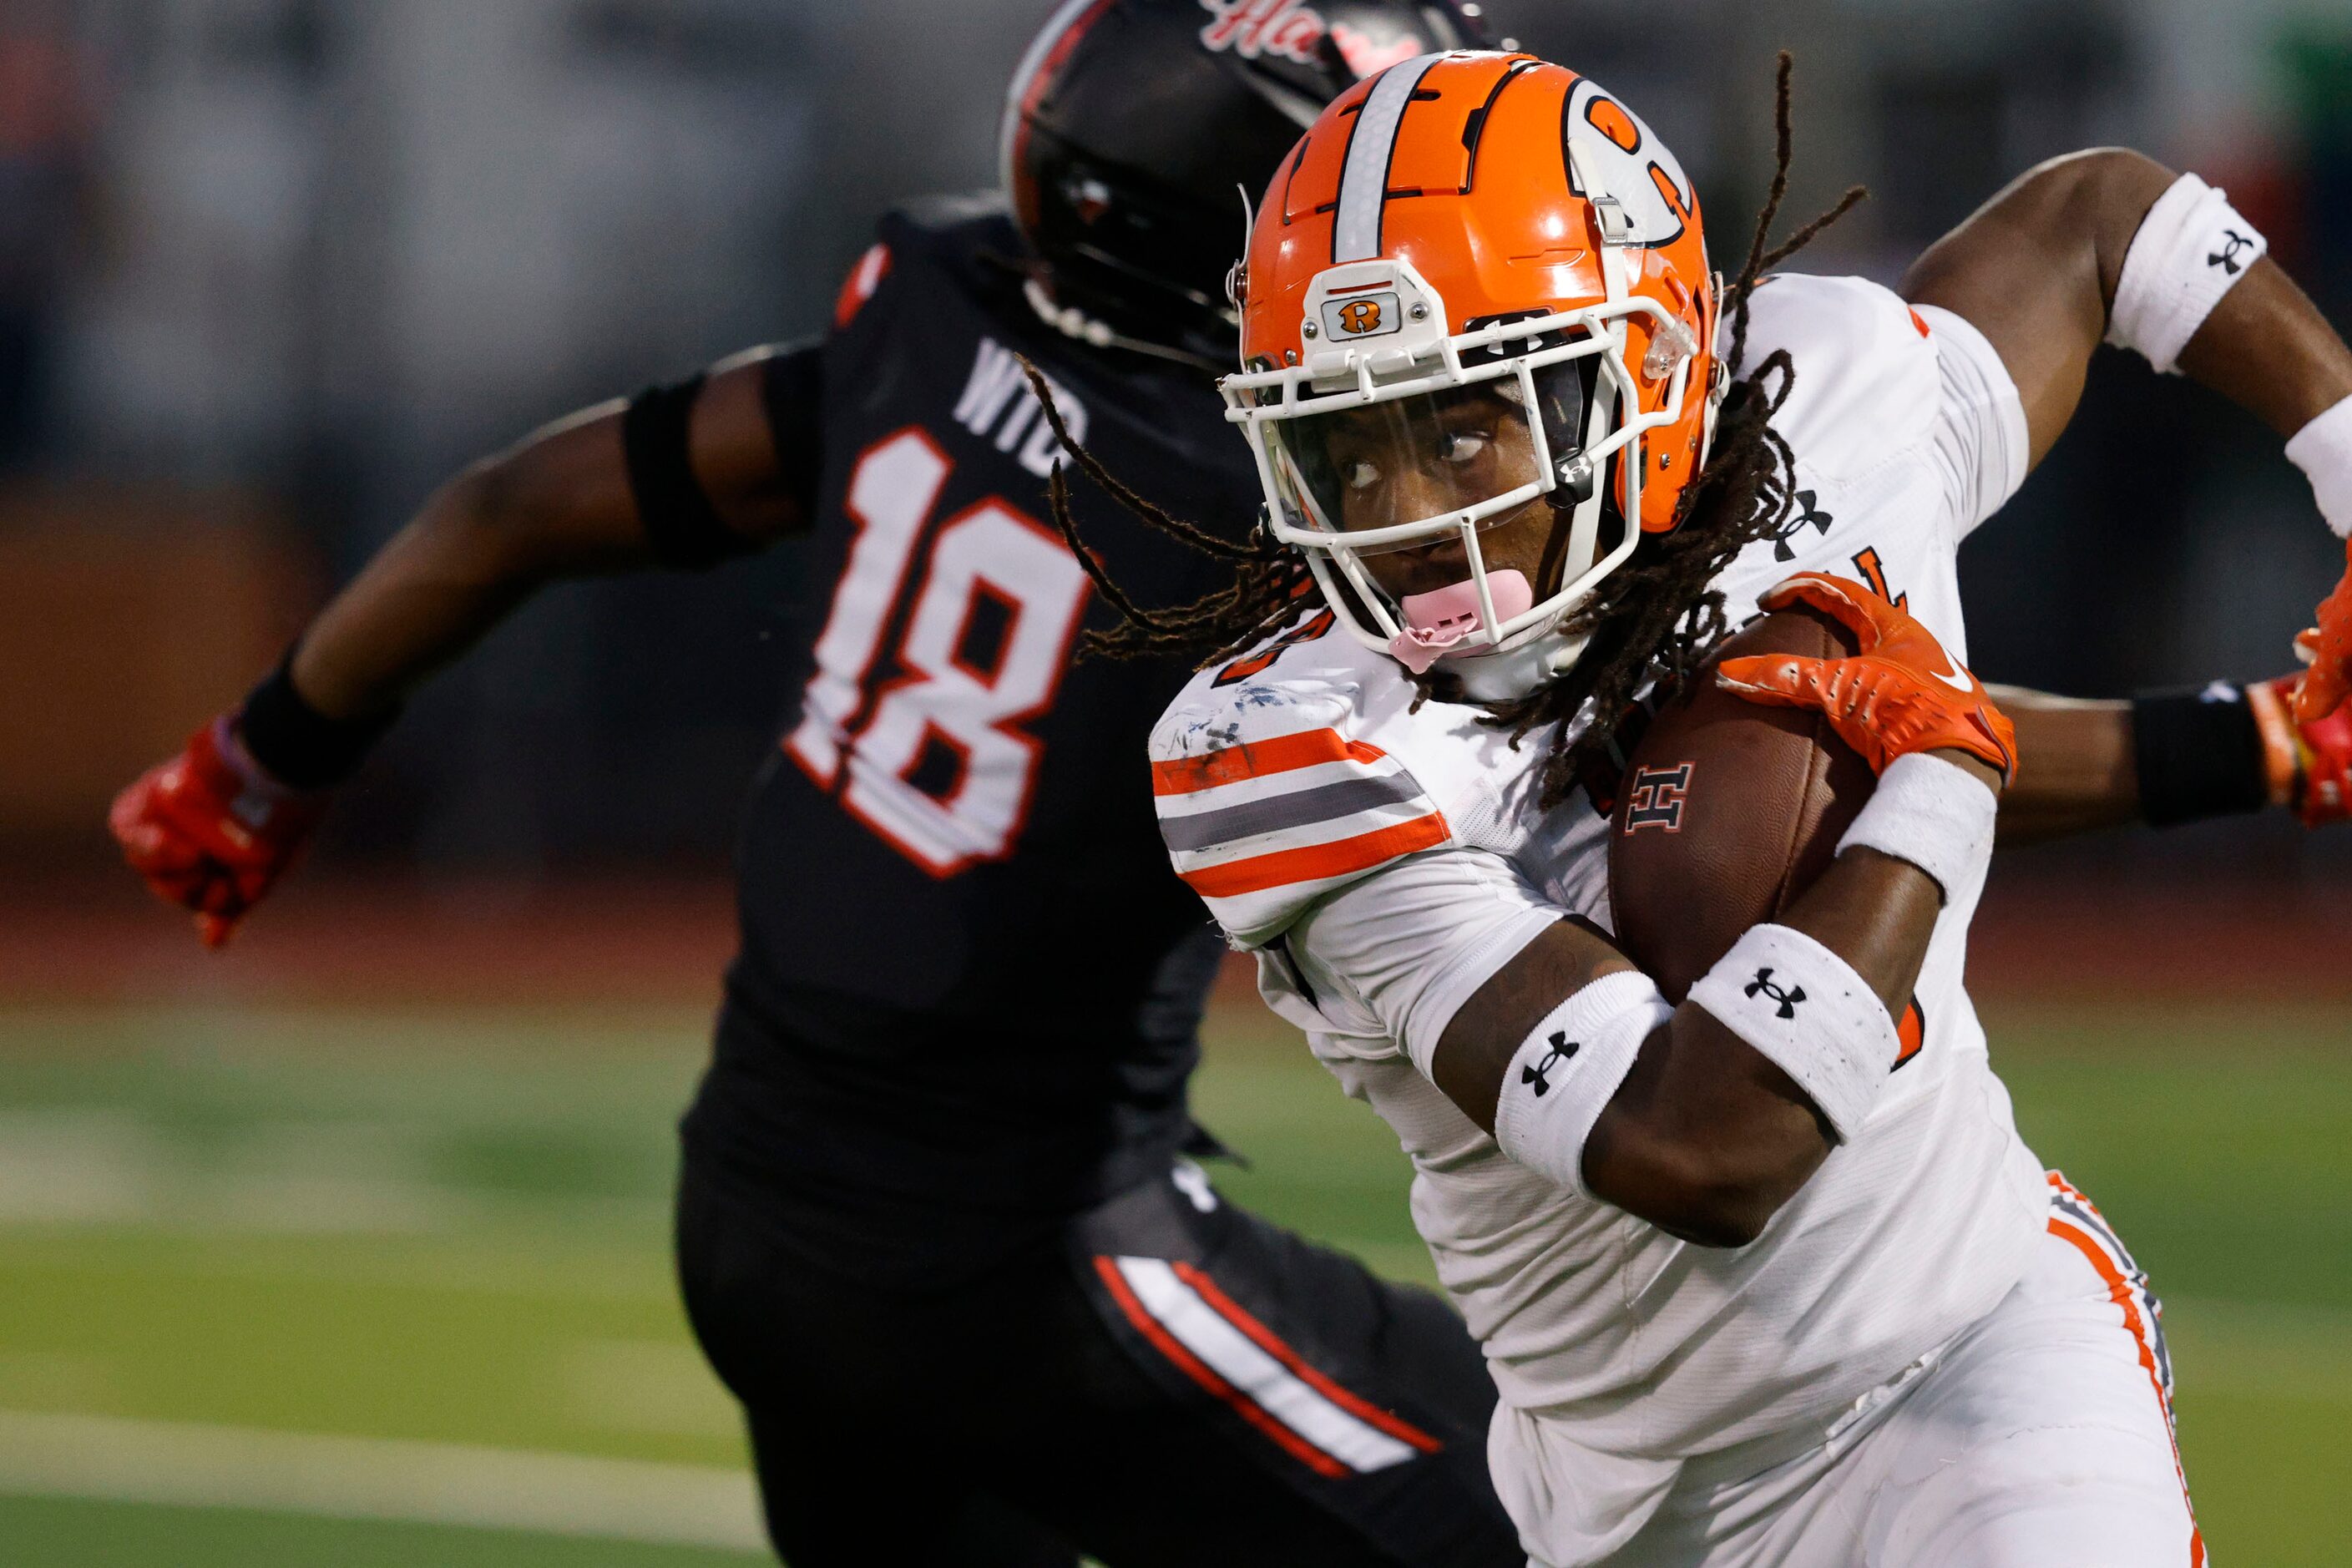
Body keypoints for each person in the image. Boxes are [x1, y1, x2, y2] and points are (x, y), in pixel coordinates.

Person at [107, 5, 1540, 1565]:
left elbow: (514, 504)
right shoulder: (1248, 507)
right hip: (1023, 1262)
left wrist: (264, 757)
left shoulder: (926, 315)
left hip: (753, 1221)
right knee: (1550, 1499)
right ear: (1241, 224)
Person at [1082, 49, 2352, 1566]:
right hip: (1629, 1490)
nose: (1409, 515)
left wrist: (2277, 703)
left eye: (1466, 426)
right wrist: (1938, 764)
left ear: (1654, 361)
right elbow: (1705, 1147)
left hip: (1971, 1358)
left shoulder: (1823, 401)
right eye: (1347, 447)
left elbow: (2101, 221)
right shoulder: (1278, 747)